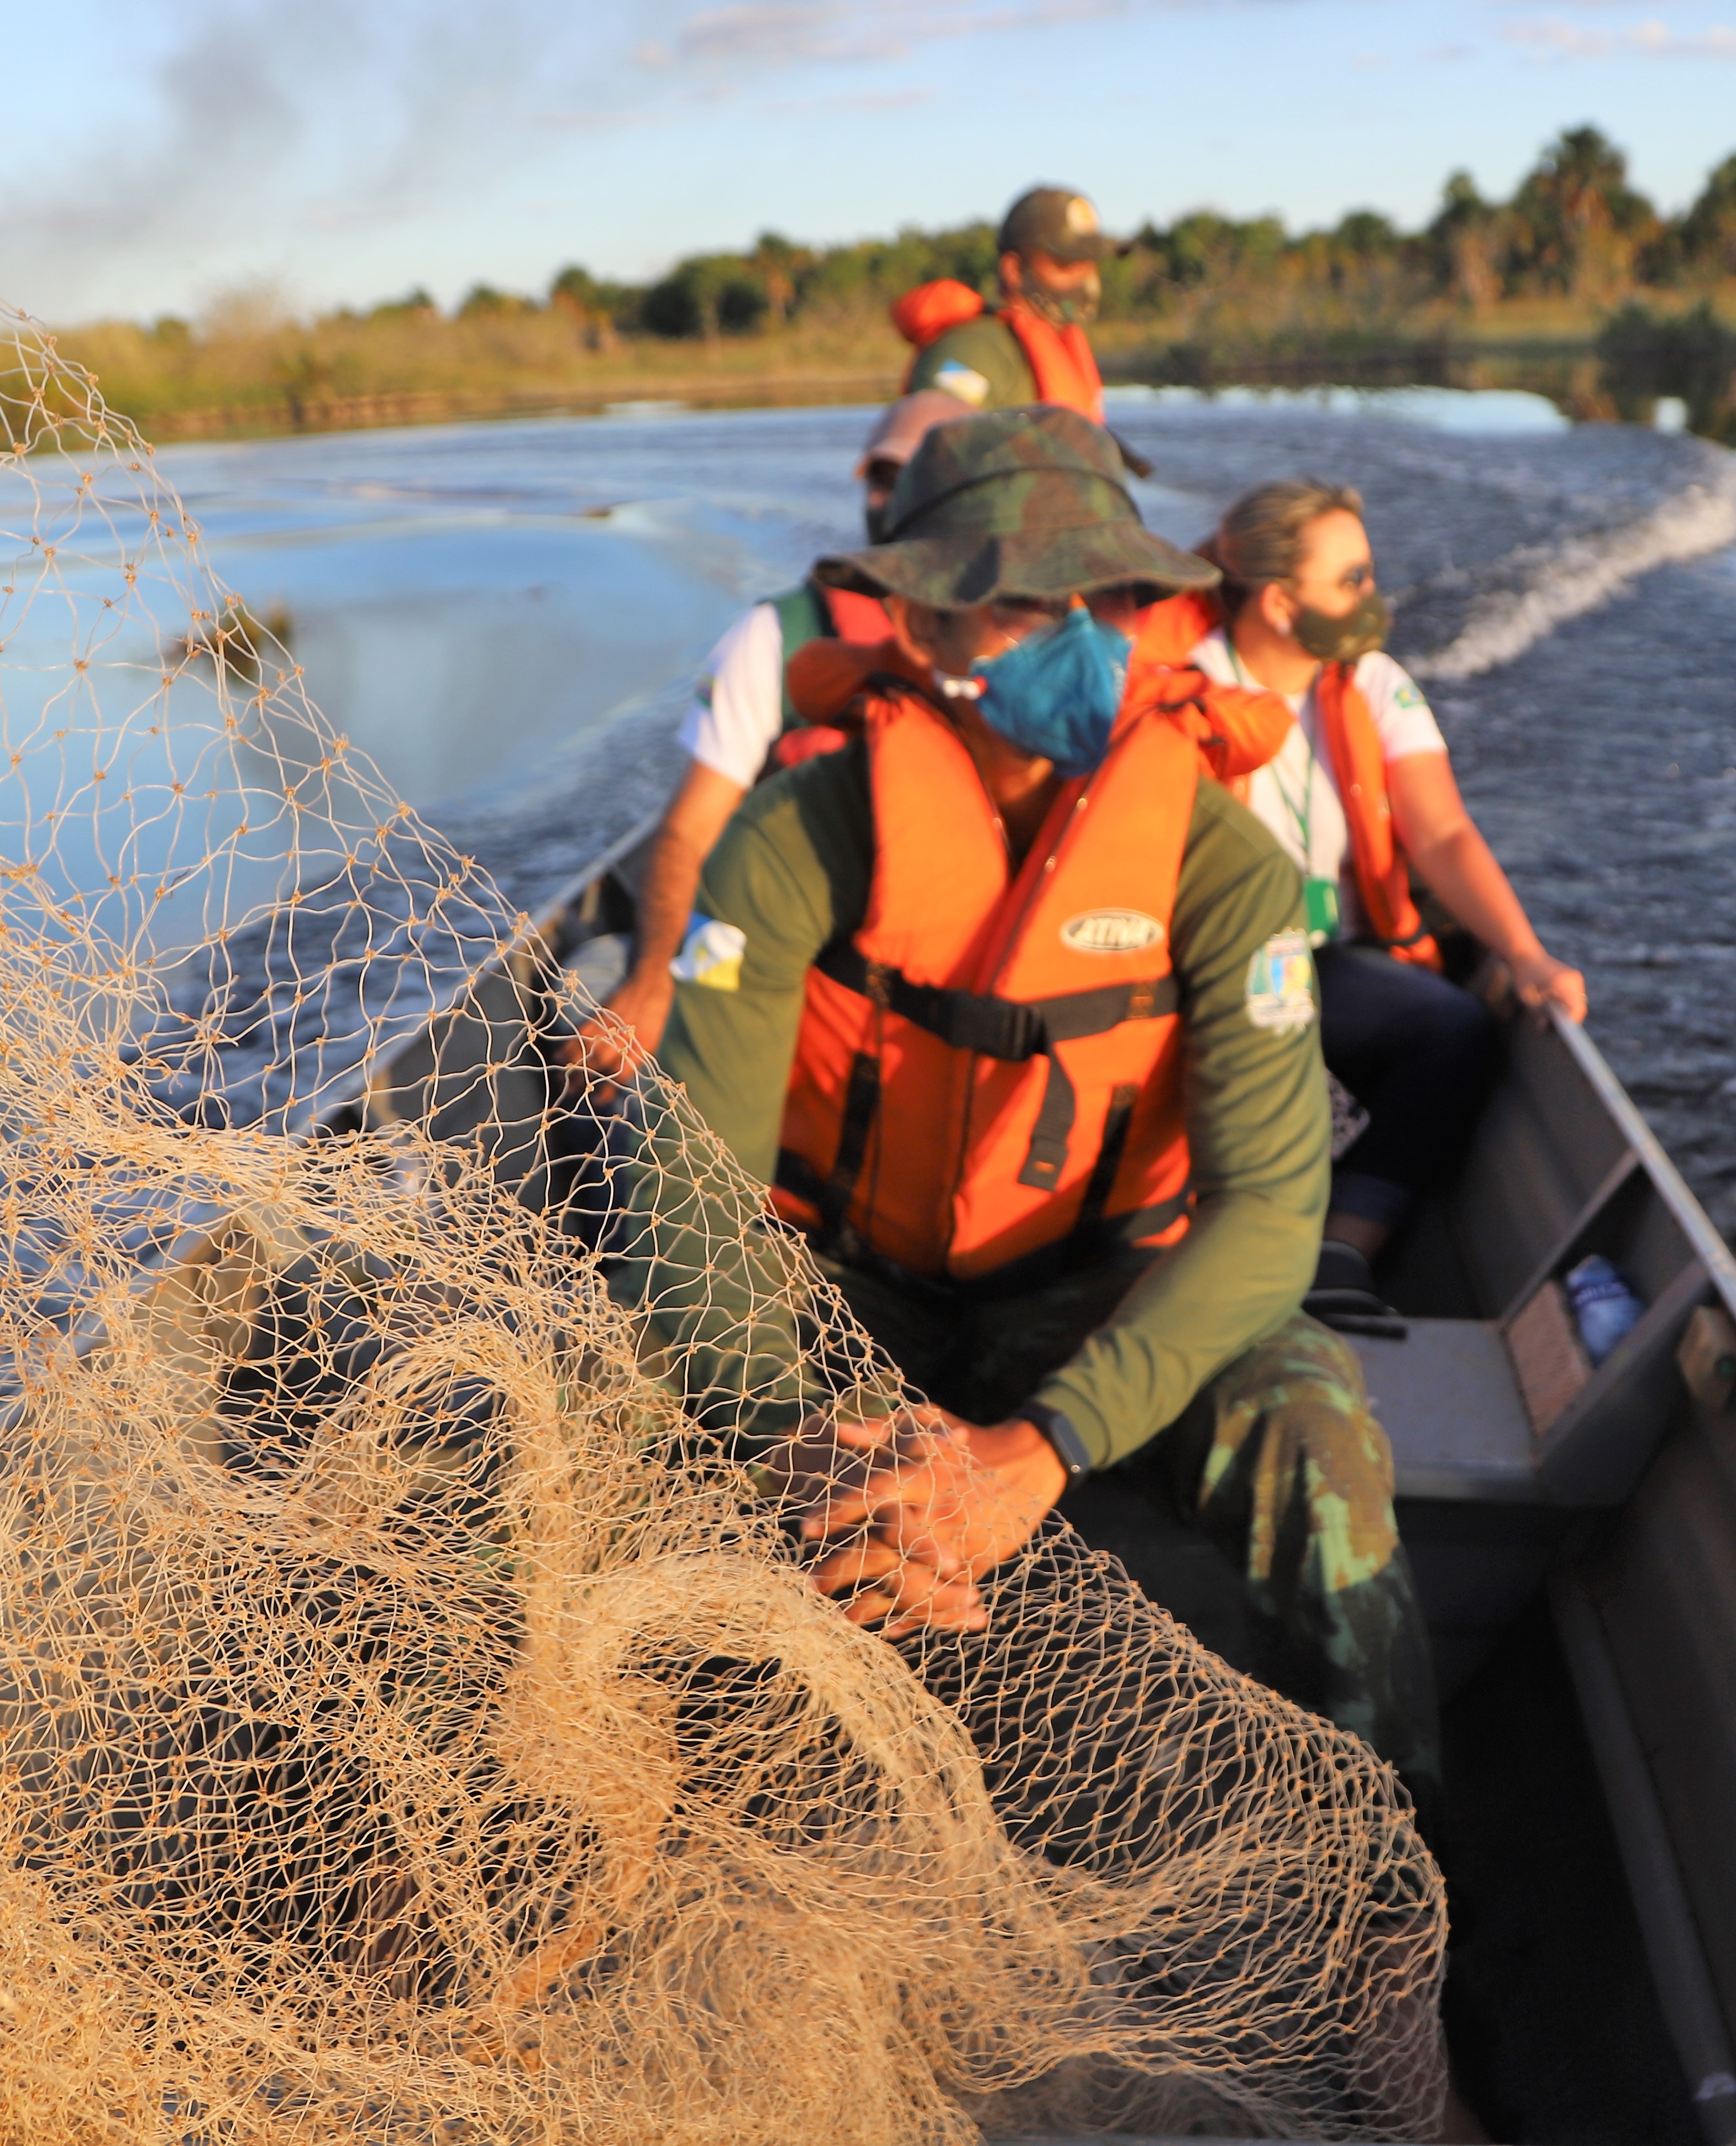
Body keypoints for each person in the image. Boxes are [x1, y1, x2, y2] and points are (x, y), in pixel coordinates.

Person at [617, 408, 1443, 1806]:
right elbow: (690, 1177)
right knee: (591, 1401)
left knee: (1313, 1427)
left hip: (1097, 1290)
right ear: (920, 624)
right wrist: (784, 1438)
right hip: (847, 1295)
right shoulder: (797, 836)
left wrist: (1037, 1451)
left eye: (1105, 600)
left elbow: (1269, 1208)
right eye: (1021, 603)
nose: (1078, 636)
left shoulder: (1219, 861)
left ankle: (1396, 1856)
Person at [1190, 478, 1586, 1279]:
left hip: (1328, 958)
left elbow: (1441, 832)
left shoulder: (1371, 682)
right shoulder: (1187, 689)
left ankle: (1345, 1249)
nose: (1373, 596)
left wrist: (1525, 953)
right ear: (1278, 603)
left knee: (1453, 1030)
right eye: (1352, 580)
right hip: (1216, 966)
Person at [571, 390, 976, 1078]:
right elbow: (688, 832)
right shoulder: (775, 636)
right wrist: (656, 979)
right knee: (587, 984)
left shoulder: (1023, 646)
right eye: (881, 476)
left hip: (937, 971)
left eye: (914, 477)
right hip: (778, 951)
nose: (890, 497)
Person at [890, 184, 1112, 419]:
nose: (1085, 278)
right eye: (1066, 265)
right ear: (1014, 270)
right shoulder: (976, 347)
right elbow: (933, 429)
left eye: (1089, 264)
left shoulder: (1063, 344)